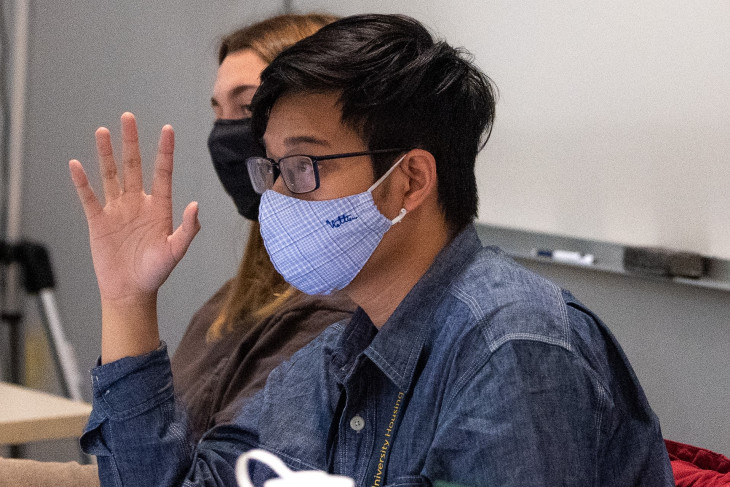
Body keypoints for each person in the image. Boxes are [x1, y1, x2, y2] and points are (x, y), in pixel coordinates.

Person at [70, 13, 675, 487]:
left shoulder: (512, 348)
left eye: (304, 165)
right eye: (274, 169)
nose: (278, 196)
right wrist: (128, 301)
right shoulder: (339, 356)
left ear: (410, 180)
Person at [0, 13, 349, 486]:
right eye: (217, 111)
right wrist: (126, 296)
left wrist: (129, 304)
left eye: (247, 108)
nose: (225, 133)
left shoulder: (332, 319)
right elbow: (135, 470)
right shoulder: (238, 298)